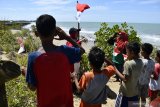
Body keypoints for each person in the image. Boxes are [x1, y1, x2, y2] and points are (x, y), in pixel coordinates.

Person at [26, 14, 85, 107]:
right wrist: (66, 37)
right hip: (65, 103)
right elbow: (82, 51)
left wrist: (25, 73)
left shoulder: (33, 58)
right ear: (56, 32)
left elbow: (32, 87)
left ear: (37, 33)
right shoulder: (65, 51)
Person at [118, 42, 144, 107]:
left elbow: (125, 79)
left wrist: (115, 70)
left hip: (126, 94)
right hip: (135, 93)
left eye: (127, 52)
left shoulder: (128, 63)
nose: (126, 54)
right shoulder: (141, 62)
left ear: (132, 52)